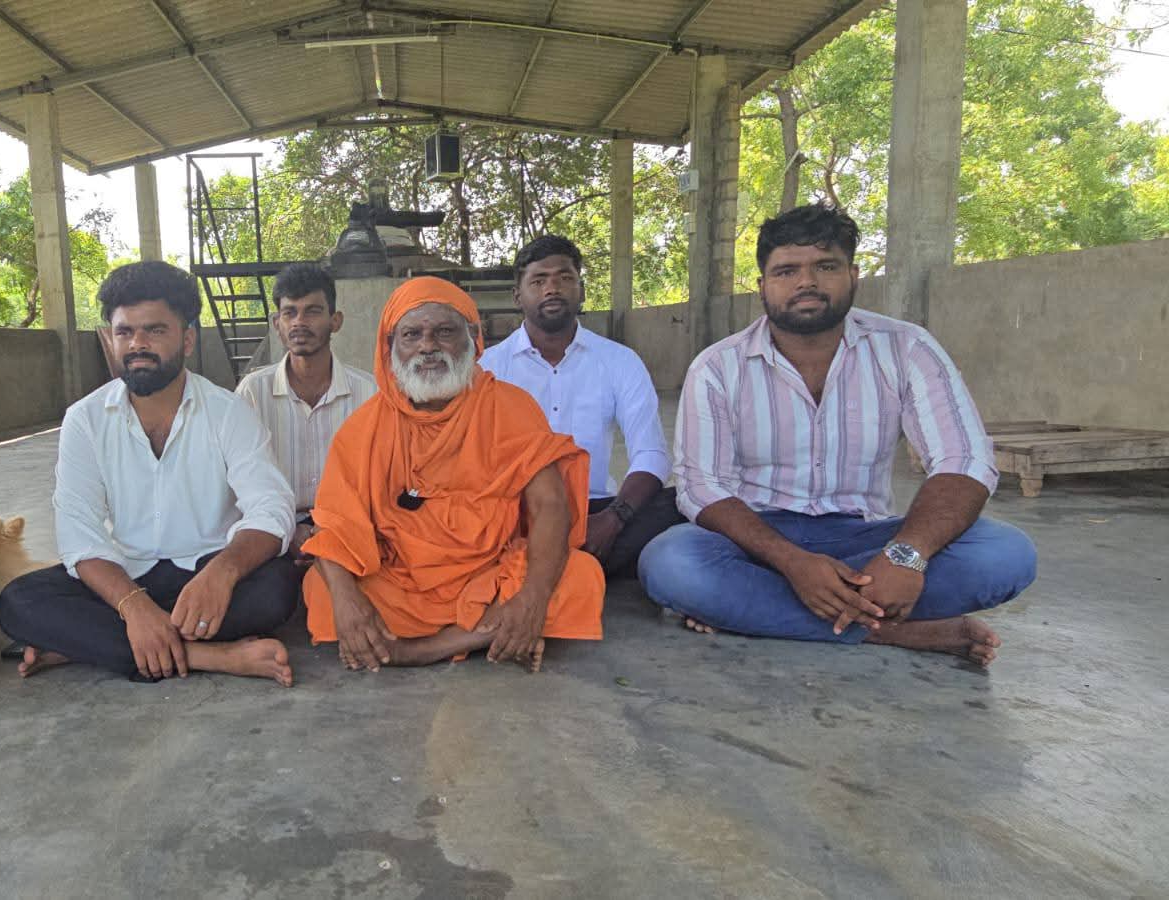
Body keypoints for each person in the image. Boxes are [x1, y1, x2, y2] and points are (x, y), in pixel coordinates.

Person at [638, 203, 1037, 665]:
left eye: (825, 267)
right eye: (786, 271)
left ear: (853, 275)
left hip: (867, 537)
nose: (806, 282)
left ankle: (767, 612)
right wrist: (793, 564)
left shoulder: (906, 348)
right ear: (762, 286)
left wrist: (905, 555)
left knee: (1006, 554)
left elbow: (963, 459)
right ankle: (890, 632)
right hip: (758, 543)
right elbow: (701, 485)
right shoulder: (718, 367)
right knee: (671, 563)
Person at [0, 261, 299, 686]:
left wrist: (222, 574)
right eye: (125, 332)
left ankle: (92, 645)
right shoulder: (85, 419)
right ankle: (208, 655)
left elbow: (271, 507)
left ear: (187, 339)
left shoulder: (228, 412)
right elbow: (79, 535)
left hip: (205, 570)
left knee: (275, 588)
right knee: (18, 601)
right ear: (110, 338)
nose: (137, 344)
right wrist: (134, 607)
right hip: (125, 575)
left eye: (155, 331)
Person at [300, 276, 605, 672]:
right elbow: (333, 528)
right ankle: (484, 636)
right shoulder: (364, 428)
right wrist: (346, 600)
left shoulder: (510, 407)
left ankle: (420, 649)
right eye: (411, 335)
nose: (427, 346)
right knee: (323, 589)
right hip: (401, 582)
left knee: (580, 575)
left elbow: (550, 506)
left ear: (473, 340)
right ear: (390, 347)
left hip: (490, 577)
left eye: (444, 332)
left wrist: (531, 598)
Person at [480, 235, 685, 578]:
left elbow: (651, 454)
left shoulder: (620, 361)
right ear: (518, 296)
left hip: (596, 512)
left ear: (582, 290)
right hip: (516, 514)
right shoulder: (488, 368)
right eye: (538, 281)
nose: (552, 289)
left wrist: (613, 519)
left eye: (564, 278)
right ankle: (575, 567)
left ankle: (550, 567)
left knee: (680, 503)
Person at [234, 263, 375, 563]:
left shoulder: (370, 393)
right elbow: (237, 482)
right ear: (277, 323)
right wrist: (287, 530)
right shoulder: (253, 392)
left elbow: (378, 482)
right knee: (267, 590)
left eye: (312, 311)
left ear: (335, 321)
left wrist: (330, 531)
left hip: (349, 529)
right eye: (290, 312)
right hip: (272, 529)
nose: (299, 322)